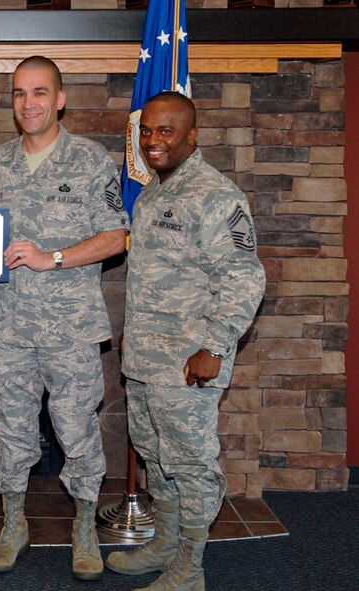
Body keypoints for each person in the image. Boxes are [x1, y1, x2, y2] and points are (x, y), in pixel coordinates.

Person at [106, 91, 265, 591]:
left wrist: (214, 347)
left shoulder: (217, 197)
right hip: (149, 359)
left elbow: (244, 278)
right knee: (154, 454)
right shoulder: (153, 192)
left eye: (166, 131)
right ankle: (166, 545)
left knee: (191, 465)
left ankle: (189, 568)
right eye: (146, 131)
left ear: (192, 135)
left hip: (189, 363)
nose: (153, 141)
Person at [0, 56, 128, 580]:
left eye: (39, 92)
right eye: (19, 93)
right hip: (9, 326)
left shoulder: (90, 161)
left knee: (77, 430)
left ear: (60, 99)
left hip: (70, 329)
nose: (29, 104)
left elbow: (116, 236)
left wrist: (54, 256)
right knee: (12, 429)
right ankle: (13, 524)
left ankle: (84, 529)